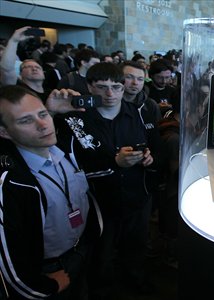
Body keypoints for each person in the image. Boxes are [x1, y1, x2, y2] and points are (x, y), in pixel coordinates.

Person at [53, 62, 160, 297]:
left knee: (135, 249)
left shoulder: (136, 114)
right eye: (102, 87)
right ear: (90, 87)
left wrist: (146, 158)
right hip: (98, 202)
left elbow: (148, 146)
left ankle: (135, 283)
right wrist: (115, 162)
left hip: (136, 195)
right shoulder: (76, 120)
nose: (110, 94)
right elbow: (68, 166)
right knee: (101, 255)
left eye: (116, 87)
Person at [0, 85, 102, 299]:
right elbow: (9, 259)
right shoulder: (10, 182)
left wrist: (54, 111)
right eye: (25, 121)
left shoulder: (64, 148)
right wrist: (44, 287)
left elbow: (103, 150)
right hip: (48, 269)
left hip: (82, 249)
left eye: (43, 114)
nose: (42, 125)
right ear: (4, 132)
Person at [0, 27, 52, 101]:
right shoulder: (16, 90)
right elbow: (6, 69)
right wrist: (14, 41)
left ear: (43, 74)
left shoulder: (51, 94)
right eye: (28, 67)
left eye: (38, 67)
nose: (34, 68)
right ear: (20, 75)